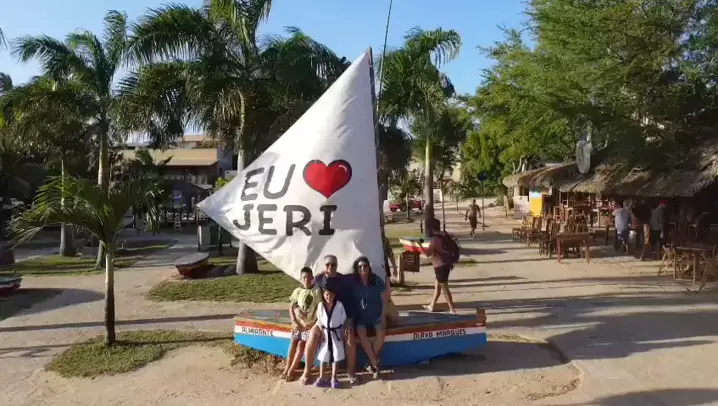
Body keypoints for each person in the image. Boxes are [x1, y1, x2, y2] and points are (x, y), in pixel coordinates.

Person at [300, 255, 358, 385]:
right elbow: (305, 291)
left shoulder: (343, 280)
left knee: (350, 336)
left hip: (340, 318)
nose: (330, 267)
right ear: (324, 265)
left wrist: (349, 320)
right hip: (323, 318)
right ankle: (307, 371)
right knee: (313, 335)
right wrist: (296, 308)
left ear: (337, 265)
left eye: (333, 264)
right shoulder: (318, 279)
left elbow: (350, 301)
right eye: (327, 264)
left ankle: (350, 371)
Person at [282, 267, 320, 381]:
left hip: (308, 325)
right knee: (293, 342)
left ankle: (292, 369)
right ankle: (287, 366)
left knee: (300, 345)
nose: (306, 280)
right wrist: (294, 320)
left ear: (312, 278)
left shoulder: (316, 291)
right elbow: (291, 306)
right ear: (301, 279)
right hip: (298, 324)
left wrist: (313, 323)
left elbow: (319, 308)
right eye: (304, 278)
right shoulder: (297, 291)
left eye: (309, 277)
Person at [352, 257, 386, 379]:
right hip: (360, 317)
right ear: (357, 269)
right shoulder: (354, 282)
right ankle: (375, 364)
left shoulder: (376, 280)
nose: (363, 268)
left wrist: (383, 314)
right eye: (360, 267)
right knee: (362, 334)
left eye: (365, 266)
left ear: (369, 267)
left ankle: (370, 362)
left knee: (381, 332)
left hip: (375, 315)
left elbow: (384, 298)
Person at [314, 281, 347, 389]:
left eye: (331, 294)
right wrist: (321, 332)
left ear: (334, 294)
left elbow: (343, 319)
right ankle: (321, 377)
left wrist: (342, 330)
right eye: (326, 294)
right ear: (323, 295)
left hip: (336, 333)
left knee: (336, 355)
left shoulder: (339, 305)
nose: (329, 297)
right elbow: (319, 320)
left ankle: (334, 378)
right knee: (323, 355)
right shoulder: (321, 306)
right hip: (325, 333)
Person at [422, 218, 457, 314]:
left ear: (432, 229)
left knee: (444, 288)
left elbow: (427, 254)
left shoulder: (435, 239)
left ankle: (452, 309)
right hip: (446, 264)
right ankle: (432, 306)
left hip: (440, 267)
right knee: (437, 286)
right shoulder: (444, 235)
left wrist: (419, 246)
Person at [382, 236, 400, 326]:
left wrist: (394, 267)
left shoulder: (384, 239)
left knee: (387, 292)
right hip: (377, 268)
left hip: (385, 269)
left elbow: (390, 253)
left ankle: (388, 312)